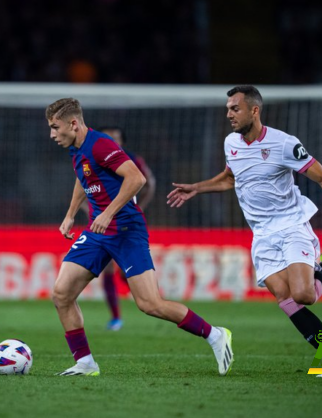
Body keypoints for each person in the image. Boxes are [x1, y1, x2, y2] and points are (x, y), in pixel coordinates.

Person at [167, 85, 322, 374]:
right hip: (261, 234)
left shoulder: (285, 144)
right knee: (285, 299)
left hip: (291, 225)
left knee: (304, 295)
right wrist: (197, 188)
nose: (229, 114)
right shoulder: (231, 143)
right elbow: (230, 178)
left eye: (235, 108)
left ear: (254, 110)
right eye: (227, 108)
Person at [46, 98, 232, 377]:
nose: (52, 134)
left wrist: (107, 213)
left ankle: (215, 335)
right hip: (98, 233)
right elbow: (82, 177)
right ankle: (85, 362)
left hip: (125, 230)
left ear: (73, 124)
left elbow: (137, 179)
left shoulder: (100, 144)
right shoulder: (76, 147)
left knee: (149, 304)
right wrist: (71, 214)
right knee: (61, 294)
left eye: (54, 127)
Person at [96, 126, 156, 331]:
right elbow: (83, 186)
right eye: (107, 138)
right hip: (103, 222)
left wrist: (140, 206)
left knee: (124, 269)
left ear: (121, 142)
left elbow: (149, 182)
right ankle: (115, 317)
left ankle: (151, 298)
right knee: (108, 267)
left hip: (125, 221)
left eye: (116, 138)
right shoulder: (94, 160)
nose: (112, 141)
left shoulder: (131, 160)